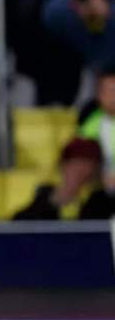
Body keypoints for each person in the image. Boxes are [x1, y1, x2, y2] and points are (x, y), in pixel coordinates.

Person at [15, 68, 115, 220]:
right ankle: (47, 208)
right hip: (101, 183)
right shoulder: (91, 117)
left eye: (113, 90)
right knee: (78, 170)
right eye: (104, 90)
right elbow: (82, 148)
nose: (109, 97)